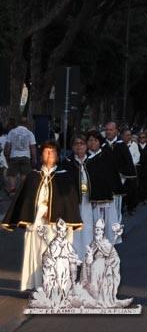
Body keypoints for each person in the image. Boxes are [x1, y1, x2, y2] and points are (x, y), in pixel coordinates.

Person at [2, 140, 81, 291]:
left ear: (58, 156)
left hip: (56, 227)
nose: (49, 154)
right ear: (41, 155)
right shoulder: (33, 176)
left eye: (53, 151)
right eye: (46, 151)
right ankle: (38, 286)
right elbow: (24, 199)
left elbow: (68, 202)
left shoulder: (64, 177)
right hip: (37, 223)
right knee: (37, 255)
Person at [60, 135, 96, 261]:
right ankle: (74, 255)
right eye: (76, 144)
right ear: (72, 147)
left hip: (88, 200)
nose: (79, 146)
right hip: (73, 201)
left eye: (82, 143)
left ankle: (88, 255)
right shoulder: (67, 162)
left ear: (86, 146)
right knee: (74, 229)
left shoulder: (92, 161)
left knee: (88, 227)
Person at [4, 117, 38, 195]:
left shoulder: (12, 132)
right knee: (24, 173)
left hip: (14, 156)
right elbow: (32, 147)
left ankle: (12, 190)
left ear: (18, 123)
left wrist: (7, 155)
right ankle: (22, 191)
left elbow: (8, 146)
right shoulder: (30, 133)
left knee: (12, 174)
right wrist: (34, 159)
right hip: (26, 156)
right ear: (27, 124)